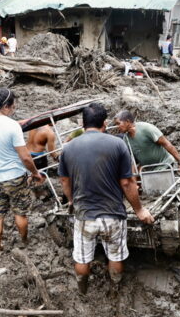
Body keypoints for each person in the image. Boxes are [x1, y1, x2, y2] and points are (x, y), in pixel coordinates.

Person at [58, 103, 155, 295]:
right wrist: (139, 210)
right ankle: (115, 287)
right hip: (113, 214)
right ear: (104, 123)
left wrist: (71, 200)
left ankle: (82, 289)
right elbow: (127, 182)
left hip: (84, 215)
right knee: (115, 256)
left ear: (83, 123)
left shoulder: (68, 148)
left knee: (82, 258)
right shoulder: (117, 144)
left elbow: (64, 180)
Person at [0, 89, 44, 251]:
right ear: (5, 106)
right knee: (20, 213)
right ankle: (24, 242)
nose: (13, 110)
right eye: (13, 107)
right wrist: (35, 173)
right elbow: (25, 157)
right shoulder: (12, 126)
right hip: (15, 177)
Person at [114, 110, 180, 173]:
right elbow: (133, 161)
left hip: (164, 164)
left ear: (127, 121)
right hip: (149, 170)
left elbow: (166, 144)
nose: (117, 127)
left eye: (118, 123)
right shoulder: (126, 139)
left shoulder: (146, 129)